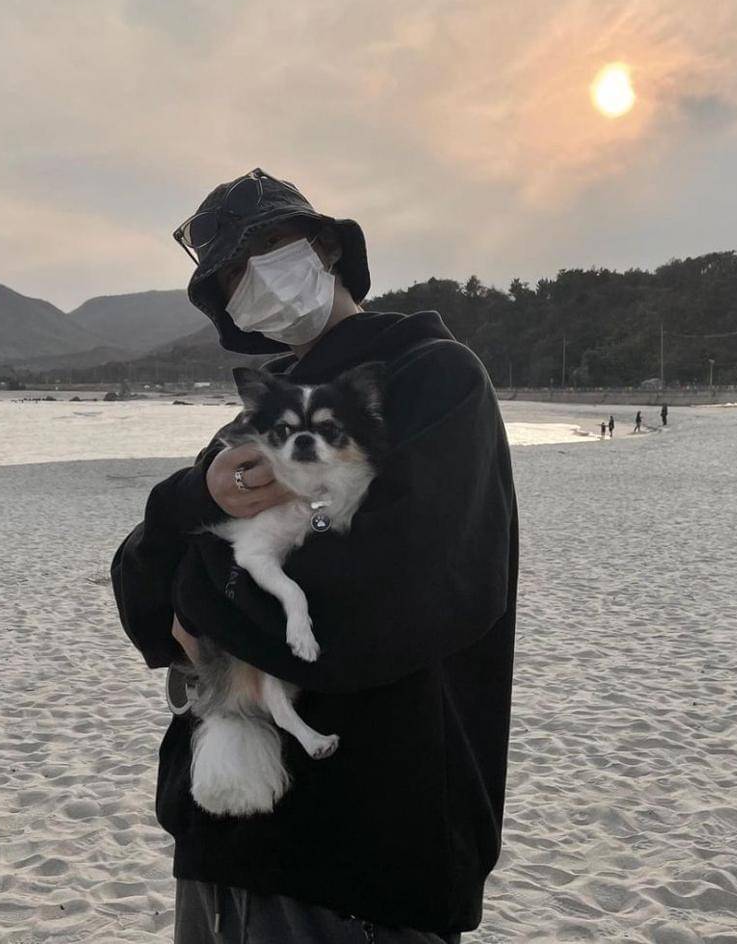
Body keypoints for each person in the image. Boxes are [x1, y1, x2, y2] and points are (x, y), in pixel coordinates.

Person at [111, 167, 518, 942]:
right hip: (218, 836)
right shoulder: (253, 419)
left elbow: (385, 600)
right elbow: (139, 598)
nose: (253, 278)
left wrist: (201, 603)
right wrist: (193, 496)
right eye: (230, 274)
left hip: (365, 855)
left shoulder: (433, 381)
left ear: (326, 247)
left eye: (268, 245)